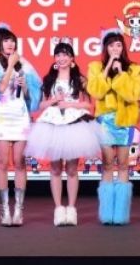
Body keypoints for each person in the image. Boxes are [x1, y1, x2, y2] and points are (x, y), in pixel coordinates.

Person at [25, 40, 101, 226]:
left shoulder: (80, 80)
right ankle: (58, 209)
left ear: (72, 58)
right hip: (52, 125)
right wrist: (54, 101)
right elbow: (40, 105)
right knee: (55, 168)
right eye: (58, 55)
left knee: (73, 169)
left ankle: (72, 209)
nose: (61, 58)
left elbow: (88, 105)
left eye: (65, 54)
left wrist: (69, 104)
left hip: (74, 125)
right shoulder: (48, 80)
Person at [0, 24, 42, 226]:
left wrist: (26, 87)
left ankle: (19, 209)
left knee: (20, 162)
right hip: (2, 116)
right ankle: (4, 209)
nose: (10, 44)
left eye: (12, 40)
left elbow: (31, 98)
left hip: (20, 115)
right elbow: (0, 89)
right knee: (2, 163)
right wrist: (11, 65)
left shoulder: (25, 65)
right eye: (6, 40)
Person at [87, 29, 140, 225]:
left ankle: (120, 214)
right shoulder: (95, 67)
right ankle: (106, 214)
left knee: (123, 164)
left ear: (123, 48)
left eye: (118, 45)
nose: (115, 48)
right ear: (105, 48)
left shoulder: (135, 70)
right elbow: (96, 91)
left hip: (125, 120)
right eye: (111, 45)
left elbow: (133, 94)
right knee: (107, 164)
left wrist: (121, 73)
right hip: (105, 121)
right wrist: (108, 68)